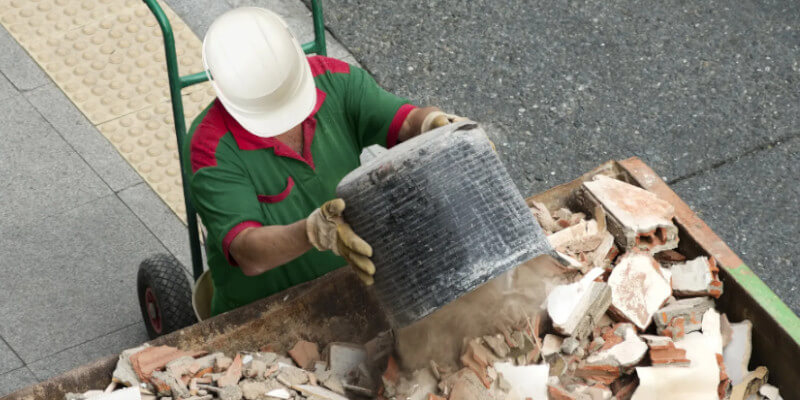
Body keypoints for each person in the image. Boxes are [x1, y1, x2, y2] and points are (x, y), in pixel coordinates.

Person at [185, 7, 466, 316]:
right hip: (264, 312)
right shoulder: (209, 146)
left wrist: (434, 124)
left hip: (354, 281)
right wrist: (312, 232)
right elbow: (249, 252)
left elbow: (404, 121)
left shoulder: (336, 80)